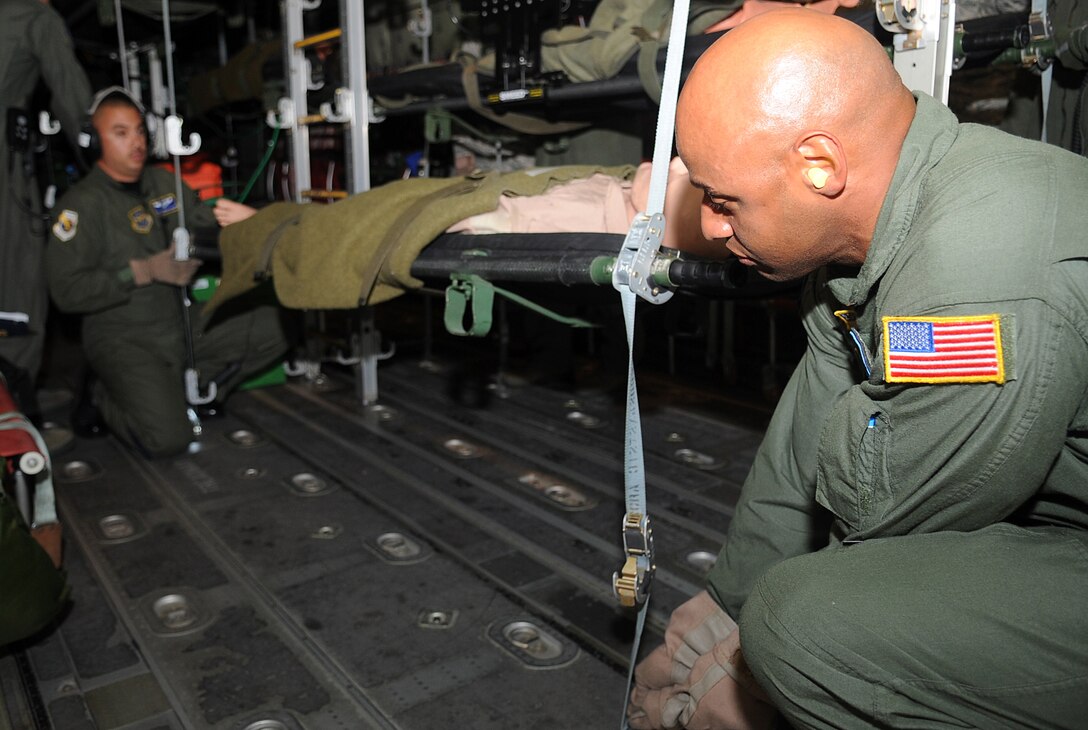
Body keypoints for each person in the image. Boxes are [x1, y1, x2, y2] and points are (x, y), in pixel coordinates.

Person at [627, 9, 1088, 729]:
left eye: (723, 201)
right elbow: (811, 427)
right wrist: (723, 604)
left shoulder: (976, 280)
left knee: (804, 626)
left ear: (820, 165)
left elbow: (898, 521)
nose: (711, 227)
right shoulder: (877, 230)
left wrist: (753, 680)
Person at [45, 88, 288, 458]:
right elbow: (66, 291)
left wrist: (255, 225)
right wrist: (142, 271)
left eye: (141, 131)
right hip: (122, 336)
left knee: (275, 323)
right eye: (121, 133)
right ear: (95, 141)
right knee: (169, 440)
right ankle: (102, 395)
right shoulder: (80, 207)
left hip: (178, 321)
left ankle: (194, 393)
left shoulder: (164, 184)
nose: (137, 142)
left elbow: (206, 223)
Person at [0, 0, 92, 426]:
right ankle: (17, 415)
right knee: (19, 288)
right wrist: (104, 161)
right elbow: (73, 99)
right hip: (6, 176)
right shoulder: (36, 17)